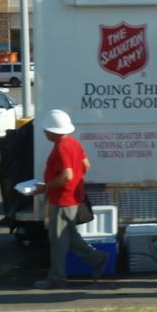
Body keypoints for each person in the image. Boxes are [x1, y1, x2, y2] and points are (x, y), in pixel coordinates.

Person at [33, 109, 107, 289]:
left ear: (53, 131)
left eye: (46, 130)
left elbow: (67, 175)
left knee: (58, 239)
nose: (44, 133)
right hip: (73, 197)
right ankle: (98, 258)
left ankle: (57, 278)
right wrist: (74, 184)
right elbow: (85, 166)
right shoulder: (74, 143)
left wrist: (46, 187)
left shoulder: (61, 147)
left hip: (63, 199)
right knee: (70, 237)